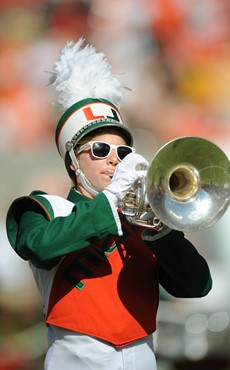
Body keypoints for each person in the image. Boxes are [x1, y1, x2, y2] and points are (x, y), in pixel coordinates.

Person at [6, 39, 212, 370]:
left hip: (143, 356)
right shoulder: (46, 209)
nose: (114, 161)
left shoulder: (145, 221)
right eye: (100, 150)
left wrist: (162, 233)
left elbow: (197, 285)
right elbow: (39, 246)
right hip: (75, 359)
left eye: (123, 153)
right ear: (73, 161)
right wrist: (111, 199)